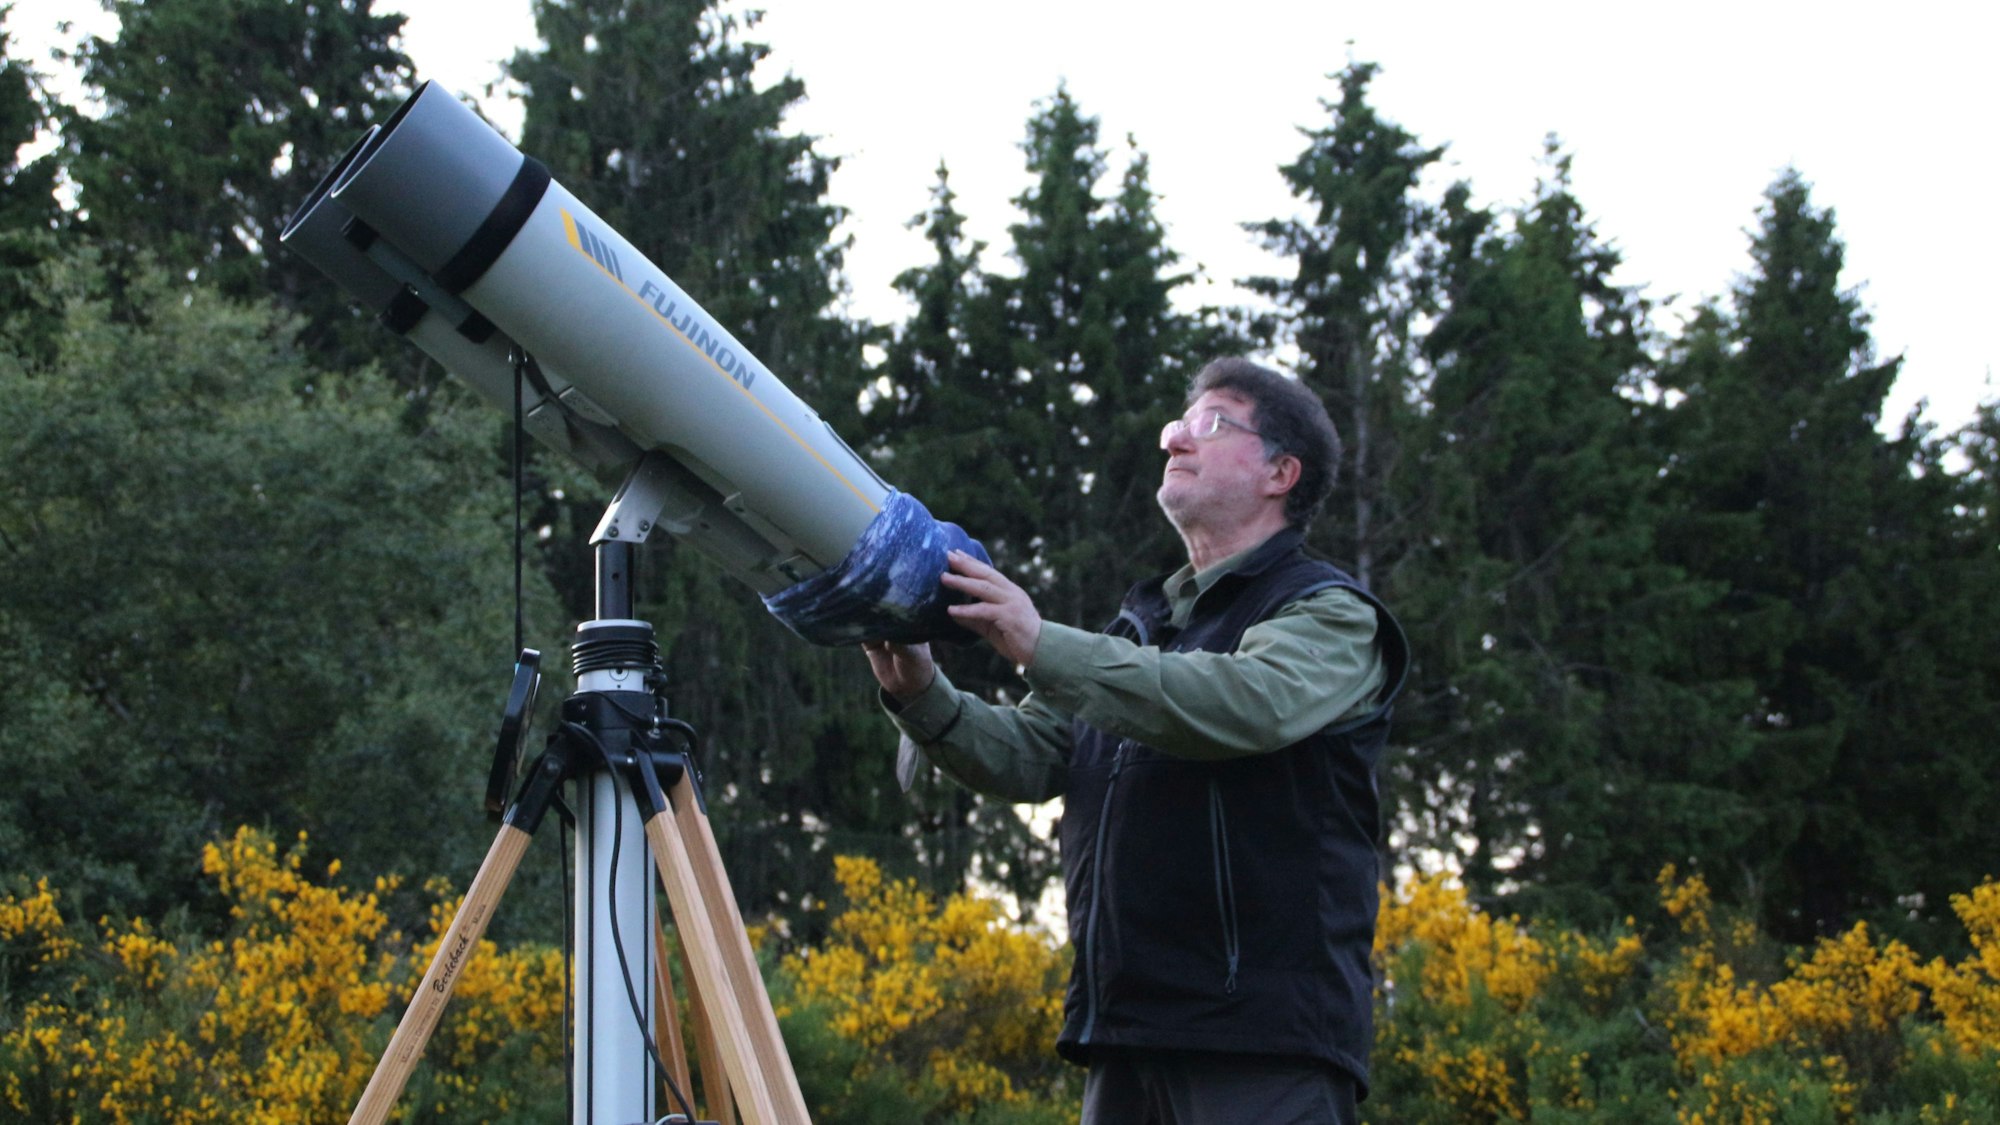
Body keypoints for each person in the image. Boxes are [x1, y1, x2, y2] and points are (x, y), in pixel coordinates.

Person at [862, 357, 1408, 1125]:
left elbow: (1242, 703)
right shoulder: (1145, 625)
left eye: (1213, 421)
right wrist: (919, 693)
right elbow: (1032, 752)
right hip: (1123, 1034)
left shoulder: (1330, 615)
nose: (1176, 437)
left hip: (1264, 1045)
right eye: (1179, 421)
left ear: (1282, 472)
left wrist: (1037, 641)